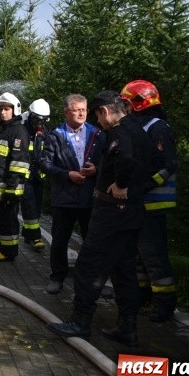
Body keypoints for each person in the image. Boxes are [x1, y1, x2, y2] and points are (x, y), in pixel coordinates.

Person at [47, 90, 151, 347]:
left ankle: (80, 323)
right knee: (124, 271)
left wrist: (121, 183)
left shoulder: (119, 131)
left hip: (111, 213)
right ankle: (127, 327)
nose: (97, 121)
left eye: (96, 114)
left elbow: (124, 157)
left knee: (88, 267)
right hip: (133, 213)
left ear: (104, 112)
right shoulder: (139, 129)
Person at [121, 80, 178, 323]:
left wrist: (142, 186)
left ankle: (164, 305)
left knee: (154, 258)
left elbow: (166, 165)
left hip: (152, 204)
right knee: (138, 257)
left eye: (127, 103)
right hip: (138, 204)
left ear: (138, 103)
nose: (124, 108)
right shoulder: (140, 126)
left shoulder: (158, 128)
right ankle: (143, 298)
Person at [40, 94, 105, 294]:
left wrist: (97, 170)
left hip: (90, 197)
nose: (82, 113)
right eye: (77, 110)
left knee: (93, 241)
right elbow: (44, 164)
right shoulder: (55, 135)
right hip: (64, 198)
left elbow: (109, 162)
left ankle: (96, 281)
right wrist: (68, 174)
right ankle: (57, 278)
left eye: (84, 109)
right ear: (66, 112)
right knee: (60, 241)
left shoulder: (97, 134)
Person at [0, 93, 30, 262]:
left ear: (15, 110)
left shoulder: (18, 131)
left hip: (8, 188)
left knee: (7, 219)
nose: (3, 113)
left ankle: (9, 251)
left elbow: (19, 162)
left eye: (7, 109)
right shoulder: (5, 130)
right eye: (1, 109)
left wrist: (11, 188)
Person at [20, 98, 51, 251]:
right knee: (29, 205)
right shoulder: (22, 129)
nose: (40, 123)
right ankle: (35, 237)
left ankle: (27, 234)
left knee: (36, 207)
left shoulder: (45, 133)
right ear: (31, 115)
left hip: (39, 176)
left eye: (43, 120)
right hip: (25, 176)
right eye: (37, 119)